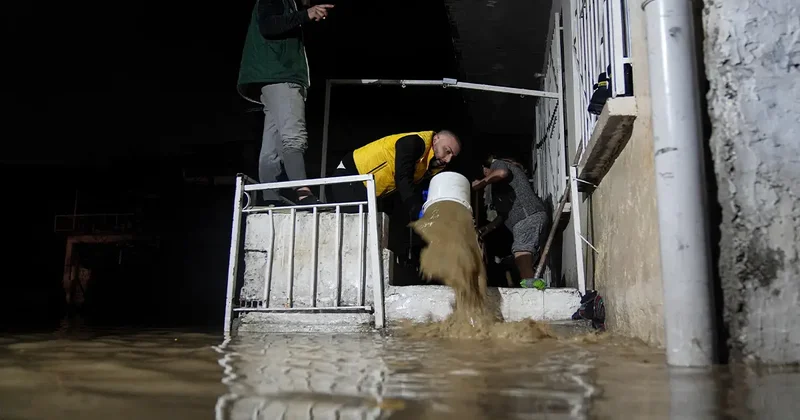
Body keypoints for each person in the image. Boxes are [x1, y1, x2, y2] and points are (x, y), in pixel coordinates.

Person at [237, 0, 334, 206]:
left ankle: (270, 199)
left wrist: (303, 15)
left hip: (272, 79)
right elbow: (268, 26)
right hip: (281, 76)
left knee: (272, 145)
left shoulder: (287, 4)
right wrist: (305, 15)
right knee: (293, 137)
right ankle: (303, 193)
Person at [329, 130, 462, 219]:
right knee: (359, 226)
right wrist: (416, 209)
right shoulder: (414, 142)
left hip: (367, 189)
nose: (448, 159)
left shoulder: (427, 163)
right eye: (447, 151)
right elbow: (403, 178)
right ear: (436, 139)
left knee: (369, 226)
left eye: (452, 157)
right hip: (351, 175)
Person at [472, 156, 549, 290]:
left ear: (485, 167)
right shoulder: (501, 188)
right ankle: (535, 285)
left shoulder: (498, 164)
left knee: (521, 255)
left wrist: (482, 183)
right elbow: (504, 215)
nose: (485, 175)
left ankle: (531, 292)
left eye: (484, 172)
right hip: (532, 217)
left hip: (526, 217)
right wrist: (488, 228)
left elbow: (502, 173)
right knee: (527, 260)